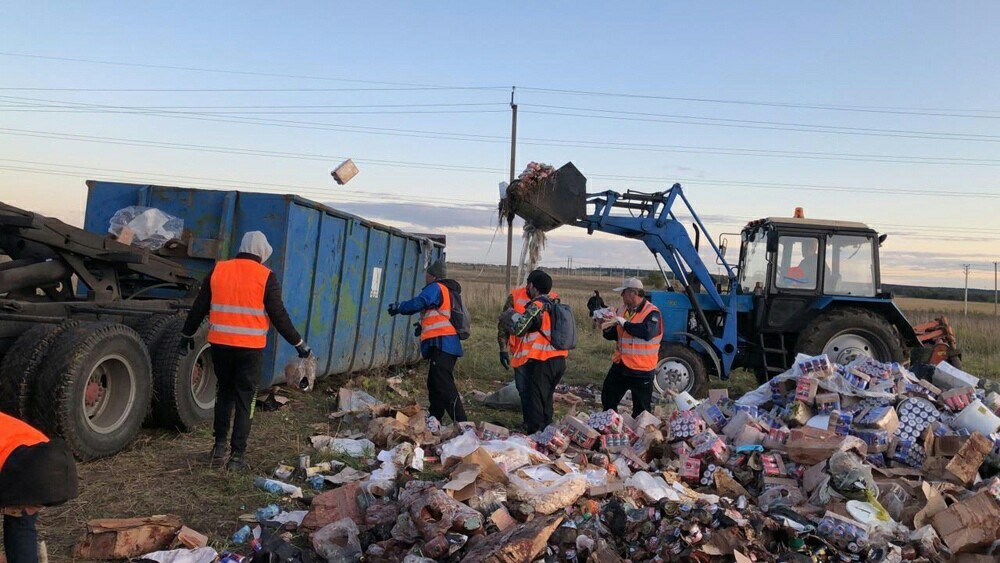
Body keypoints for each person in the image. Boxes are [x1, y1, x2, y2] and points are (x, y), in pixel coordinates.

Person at [181, 231, 312, 471]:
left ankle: (218, 448)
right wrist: (298, 343)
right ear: (262, 252)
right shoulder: (265, 276)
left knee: (224, 395)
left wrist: (186, 334)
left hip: (220, 346)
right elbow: (278, 315)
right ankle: (237, 458)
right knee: (245, 400)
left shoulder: (219, 270)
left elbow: (200, 306)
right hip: (249, 351)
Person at [388, 259, 467, 423]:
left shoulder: (436, 287)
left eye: (427, 274)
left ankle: (462, 423)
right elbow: (437, 315)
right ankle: (434, 418)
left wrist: (399, 307)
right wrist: (422, 326)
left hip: (443, 344)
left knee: (444, 384)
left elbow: (420, 302)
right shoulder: (447, 290)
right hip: (446, 345)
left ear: (432, 276)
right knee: (434, 382)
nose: (426, 277)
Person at [0, 412, 78, 563]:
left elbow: (21, 530)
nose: (31, 511)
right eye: (35, 505)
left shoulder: (44, 457)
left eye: (38, 506)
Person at [507, 270, 569, 433]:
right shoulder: (554, 303)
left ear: (534, 287)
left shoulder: (538, 305)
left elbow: (520, 329)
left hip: (544, 360)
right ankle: (547, 431)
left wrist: (510, 318)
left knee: (536, 398)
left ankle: (536, 434)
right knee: (546, 398)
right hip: (559, 359)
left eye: (530, 285)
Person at [497, 273, 558, 426]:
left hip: (539, 356)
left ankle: (537, 428)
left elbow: (517, 327)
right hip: (524, 354)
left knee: (537, 393)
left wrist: (514, 318)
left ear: (532, 285)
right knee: (527, 392)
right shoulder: (517, 296)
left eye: (529, 284)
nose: (526, 287)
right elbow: (503, 324)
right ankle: (533, 424)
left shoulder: (546, 302)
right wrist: (503, 348)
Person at [601, 277, 662, 417]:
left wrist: (625, 324)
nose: (621, 295)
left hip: (642, 369)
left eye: (623, 292)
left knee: (641, 411)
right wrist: (604, 326)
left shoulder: (652, 312)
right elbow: (615, 335)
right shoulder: (622, 310)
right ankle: (609, 428)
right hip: (621, 364)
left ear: (633, 293)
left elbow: (646, 332)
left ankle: (640, 437)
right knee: (608, 399)